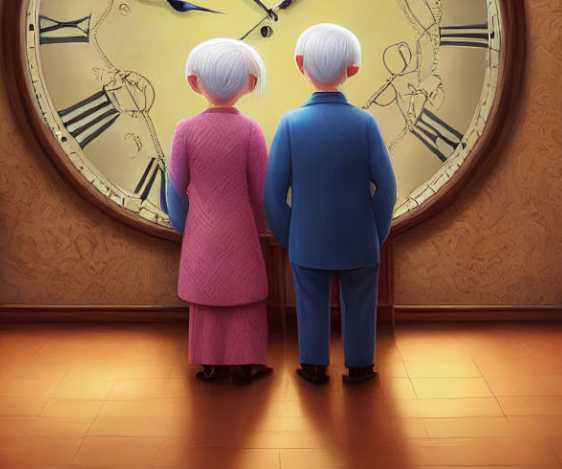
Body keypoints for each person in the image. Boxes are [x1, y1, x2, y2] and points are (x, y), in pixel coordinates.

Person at [264, 23, 396, 385]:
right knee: (361, 302)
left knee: (310, 303)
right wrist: (376, 233)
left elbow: (273, 194)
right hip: (360, 240)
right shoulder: (366, 123)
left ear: (300, 64)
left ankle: (313, 365)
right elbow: (386, 188)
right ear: (352, 69)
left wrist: (291, 236)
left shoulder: (290, 123)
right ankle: (360, 365)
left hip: (307, 240)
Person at [166, 38, 273, 384]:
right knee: (245, 297)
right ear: (250, 84)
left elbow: (175, 187)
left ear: (195, 83)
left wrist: (186, 228)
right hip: (241, 231)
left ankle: (209, 364)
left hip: (200, 230)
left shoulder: (185, 130)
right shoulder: (251, 130)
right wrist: (266, 227)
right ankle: (247, 362)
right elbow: (261, 190)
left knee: (206, 299)